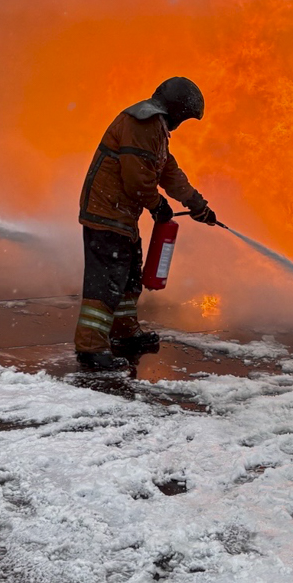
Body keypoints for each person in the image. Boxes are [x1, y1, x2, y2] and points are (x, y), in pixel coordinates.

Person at [76, 77, 222, 370]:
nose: (181, 123)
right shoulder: (143, 123)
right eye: (184, 116)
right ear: (176, 109)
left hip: (122, 215)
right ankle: (90, 348)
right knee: (106, 282)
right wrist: (157, 205)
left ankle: (124, 334)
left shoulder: (156, 129)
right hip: (107, 214)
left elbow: (168, 172)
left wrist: (197, 205)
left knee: (128, 277)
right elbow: (136, 178)